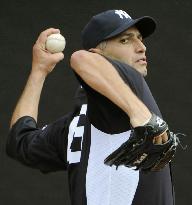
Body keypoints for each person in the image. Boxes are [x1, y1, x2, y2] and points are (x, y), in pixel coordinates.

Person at [6, 9, 174, 205]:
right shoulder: (130, 86)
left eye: (140, 38)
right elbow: (80, 59)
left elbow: (20, 140)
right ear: (97, 54)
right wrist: (141, 115)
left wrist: (38, 71)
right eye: (125, 40)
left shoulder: (73, 128)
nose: (141, 47)